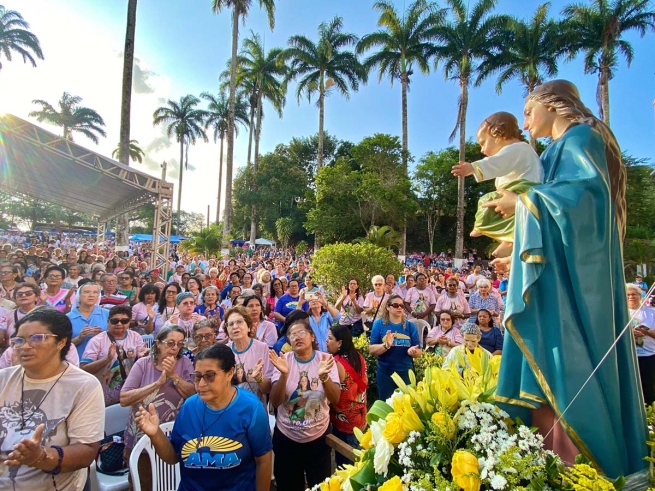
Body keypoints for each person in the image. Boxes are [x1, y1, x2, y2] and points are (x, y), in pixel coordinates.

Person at [492, 80, 647, 477]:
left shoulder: (580, 139)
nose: (524, 124)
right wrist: (520, 246)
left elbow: (584, 199)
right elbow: (557, 207)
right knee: (547, 373)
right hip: (556, 278)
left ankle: (585, 467)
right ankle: (555, 466)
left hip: (573, 287)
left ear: (553, 104)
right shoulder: (558, 149)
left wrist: (523, 201)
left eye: (528, 112)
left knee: (567, 364)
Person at [134, 344, 273, 491]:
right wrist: (155, 434)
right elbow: (173, 457)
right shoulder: (189, 407)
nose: (201, 384)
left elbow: (263, 462)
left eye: (209, 376)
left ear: (229, 373)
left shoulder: (251, 408)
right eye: (197, 377)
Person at [0, 307, 105, 491]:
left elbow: (87, 450)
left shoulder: (83, 385)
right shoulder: (3, 379)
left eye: (36, 338)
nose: (25, 346)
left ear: (61, 342)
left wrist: (41, 456)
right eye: (19, 340)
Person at [452, 111, 543, 258]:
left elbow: (497, 163)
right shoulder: (520, 150)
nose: (482, 150)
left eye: (483, 143)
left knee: (484, 201)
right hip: (522, 190)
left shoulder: (518, 148)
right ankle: (509, 241)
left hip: (521, 187)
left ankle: (481, 226)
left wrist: (473, 168)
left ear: (497, 134)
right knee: (509, 219)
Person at [269, 318, 340, 491]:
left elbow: (335, 398)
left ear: (312, 337)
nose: (297, 337)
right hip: (287, 438)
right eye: (292, 335)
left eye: (301, 333)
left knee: (319, 486)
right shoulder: (283, 360)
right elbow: (276, 401)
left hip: (318, 438)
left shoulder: (325, 360)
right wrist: (284, 375)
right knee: (288, 486)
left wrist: (324, 377)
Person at [120, 326, 195, 488]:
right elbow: (124, 398)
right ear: (158, 344)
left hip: (175, 437)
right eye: (170, 343)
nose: (175, 348)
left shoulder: (185, 363)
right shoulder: (143, 364)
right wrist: (157, 384)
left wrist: (173, 375)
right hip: (142, 438)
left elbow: (193, 396)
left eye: (180, 344)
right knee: (144, 483)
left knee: (174, 483)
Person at [80, 305, 147, 405]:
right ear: (108, 322)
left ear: (129, 322)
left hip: (128, 392)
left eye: (124, 321)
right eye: (115, 321)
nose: (119, 324)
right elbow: (84, 369)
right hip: (102, 396)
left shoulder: (135, 336)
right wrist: (107, 359)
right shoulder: (97, 341)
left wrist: (141, 357)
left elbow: (140, 362)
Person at [326, 324, 367, 467]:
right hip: (360, 416)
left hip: (344, 420)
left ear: (340, 343)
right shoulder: (358, 357)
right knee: (357, 459)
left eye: (330, 338)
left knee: (345, 463)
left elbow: (331, 393)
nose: (326, 341)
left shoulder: (336, 363)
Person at [368, 294, 422, 401]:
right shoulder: (379, 324)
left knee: (407, 405)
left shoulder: (410, 326)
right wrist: (386, 345)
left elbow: (419, 352)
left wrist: (413, 352)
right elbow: (372, 350)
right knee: (387, 405)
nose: (400, 308)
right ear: (388, 307)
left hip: (406, 373)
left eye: (402, 306)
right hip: (386, 373)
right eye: (396, 305)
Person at [224, 306, 274, 407]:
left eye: (239, 322)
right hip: (231, 408)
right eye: (230, 324)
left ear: (249, 326)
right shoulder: (224, 351)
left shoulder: (262, 348)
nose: (235, 327)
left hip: (256, 408)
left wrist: (258, 377)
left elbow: (267, 389)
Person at [627, 283, 655, 404]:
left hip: (648, 356)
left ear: (640, 295)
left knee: (648, 389)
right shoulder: (620, 314)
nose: (631, 297)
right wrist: (629, 334)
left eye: (634, 294)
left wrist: (645, 332)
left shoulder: (651, 312)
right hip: (628, 357)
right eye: (628, 295)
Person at [67, 282, 109, 358]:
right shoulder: (68, 317)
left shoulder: (107, 314)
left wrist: (101, 335)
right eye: (86, 292)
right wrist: (79, 338)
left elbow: (116, 338)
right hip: (75, 361)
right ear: (79, 296)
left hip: (101, 361)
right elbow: (62, 345)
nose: (91, 295)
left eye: (95, 292)